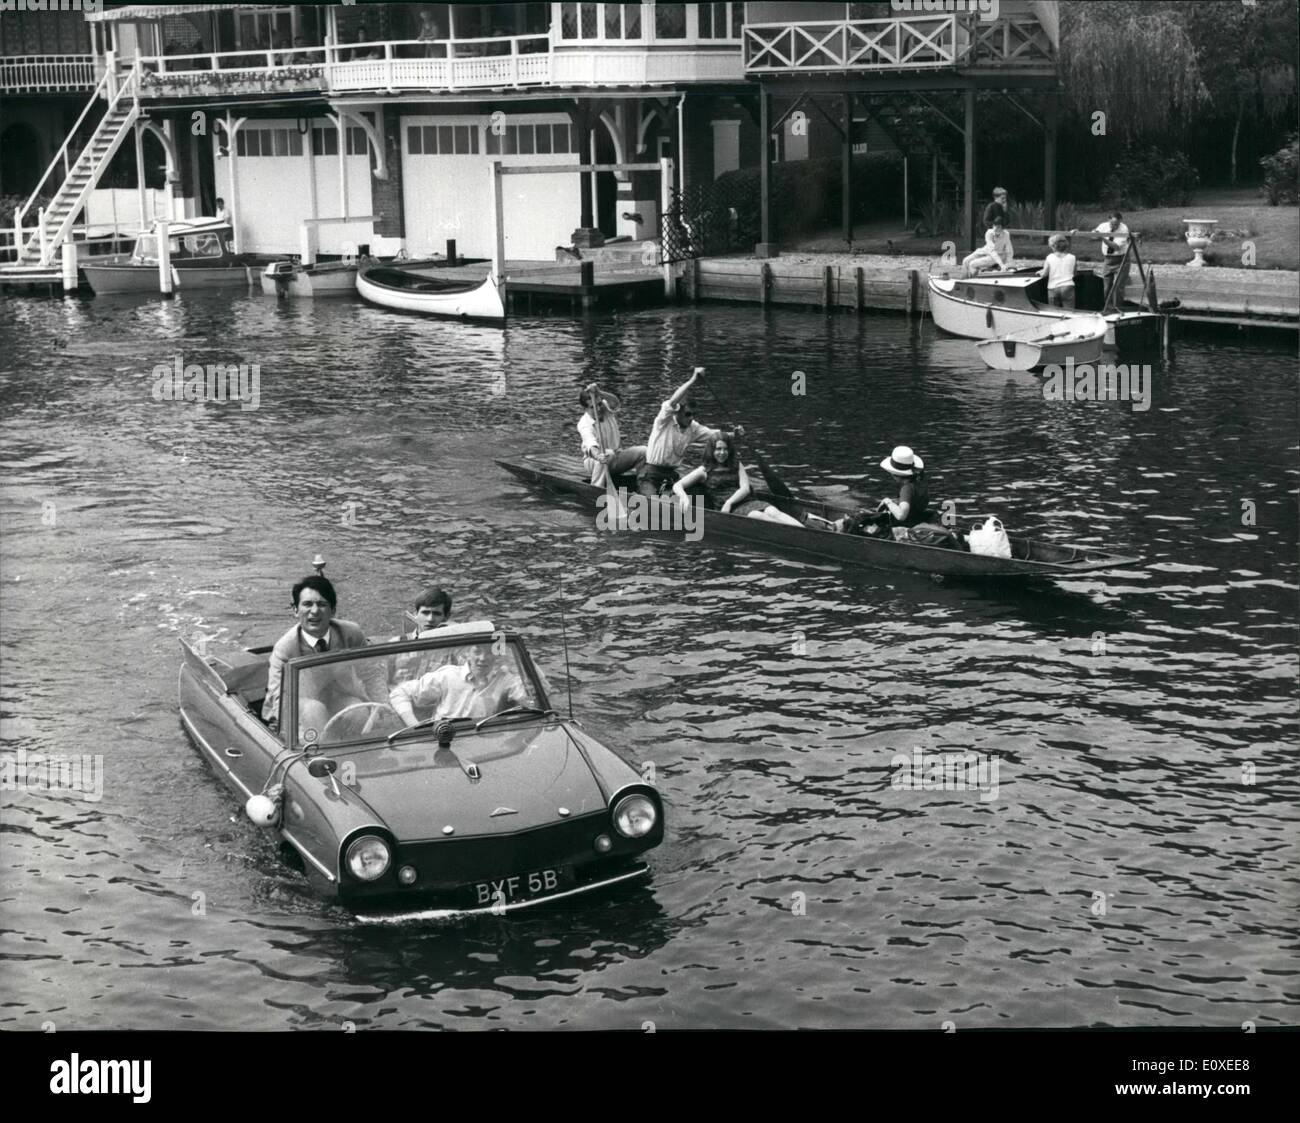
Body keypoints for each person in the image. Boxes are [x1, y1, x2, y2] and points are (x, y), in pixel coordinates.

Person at [262, 575, 369, 731]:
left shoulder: (351, 634)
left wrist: (384, 707)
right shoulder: (285, 649)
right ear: (295, 610)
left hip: (338, 697)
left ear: (333, 610)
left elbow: (371, 673)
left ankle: (357, 749)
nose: (314, 611)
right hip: (301, 705)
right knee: (315, 710)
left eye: (322, 604)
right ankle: (321, 752)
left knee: (358, 710)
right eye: (307, 604)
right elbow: (281, 698)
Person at [635, 367, 740, 499]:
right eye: (688, 414)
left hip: (671, 476)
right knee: (654, 504)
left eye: (694, 415)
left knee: (695, 493)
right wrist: (693, 379)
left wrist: (735, 434)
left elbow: (716, 435)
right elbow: (672, 401)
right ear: (677, 411)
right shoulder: (663, 421)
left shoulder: (693, 428)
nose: (691, 418)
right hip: (650, 475)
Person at [672, 432, 803, 526]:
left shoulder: (736, 464)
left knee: (772, 511)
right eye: (718, 449)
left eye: (725, 449)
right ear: (712, 450)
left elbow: (745, 489)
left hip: (745, 501)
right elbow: (677, 486)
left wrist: (729, 502)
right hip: (728, 510)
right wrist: (683, 497)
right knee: (757, 516)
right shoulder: (704, 471)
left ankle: (802, 531)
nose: (722, 453)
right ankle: (794, 535)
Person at [390, 643, 532, 726]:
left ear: (497, 656)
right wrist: (414, 726)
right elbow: (400, 692)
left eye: (489, 653)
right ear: (467, 654)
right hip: (442, 738)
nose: (482, 658)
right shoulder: (448, 675)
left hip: (484, 741)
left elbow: (537, 697)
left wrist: (522, 656)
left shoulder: (507, 681)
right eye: (477, 651)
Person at [836, 446, 931, 537]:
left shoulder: (907, 489)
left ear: (895, 474)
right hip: (916, 521)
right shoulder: (921, 483)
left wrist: (888, 501)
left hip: (902, 525)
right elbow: (914, 503)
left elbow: (901, 515)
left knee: (850, 522)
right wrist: (895, 502)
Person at [578, 383, 645, 487]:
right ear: (585, 408)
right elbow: (590, 446)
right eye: (593, 407)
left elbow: (616, 402)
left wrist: (599, 392)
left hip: (616, 457)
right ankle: (596, 489)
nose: (599, 409)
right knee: (607, 454)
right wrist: (598, 456)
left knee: (644, 451)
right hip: (595, 462)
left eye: (599, 404)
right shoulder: (584, 424)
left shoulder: (605, 408)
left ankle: (643, 486)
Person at [1075, 212, 1131, 304]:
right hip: (1108, 259)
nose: (1115, 226)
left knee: (1118, 287)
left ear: (1120, 222)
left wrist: (1102, 238)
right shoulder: (1103, 226)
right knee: (1106, 287)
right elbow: (1093, 236)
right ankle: (1106, 307)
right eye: (1112, 224)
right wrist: (1078, 232)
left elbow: (1116, 247)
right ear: (1108, 220)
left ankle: (1118, 307)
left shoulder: (1124, 229)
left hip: (1122, 259)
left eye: (1117, 224)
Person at [1038, 234, 1077, 309]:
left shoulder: (1049, 257)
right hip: (1068, 286)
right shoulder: (1073, 257)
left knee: (1054, 311)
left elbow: (1044, 274)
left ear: (1053, 246)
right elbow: (1074, 274)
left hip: (1053, 287)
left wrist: (1040, 272)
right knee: (1069, 311)